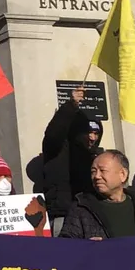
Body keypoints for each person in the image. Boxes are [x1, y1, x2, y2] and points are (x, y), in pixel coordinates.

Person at [40, 86, 102, 234]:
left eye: (96, 133)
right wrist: (71, 105)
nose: (92, 137)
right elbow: (54, 133)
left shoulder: (98, 157)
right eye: (88, 132)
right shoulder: (58, 149)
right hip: (64, 216)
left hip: (91, 218)